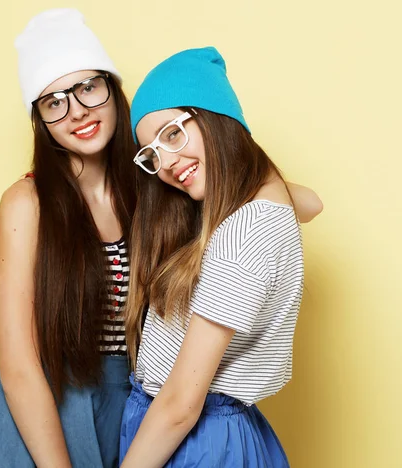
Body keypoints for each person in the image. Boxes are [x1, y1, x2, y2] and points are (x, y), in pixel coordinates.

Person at [0, 9, 136, 467]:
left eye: (88, 86)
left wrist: (230, 164)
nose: (78, 111)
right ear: (41, 120)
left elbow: (303, 204)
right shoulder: (26, 203)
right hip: (43, 415)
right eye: (54, 102)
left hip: (131, 408)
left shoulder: (155, 187)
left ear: (113, 87)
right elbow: (19, 366)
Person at [120, 47, 307, 467]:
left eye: (172, 133)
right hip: (190, 431)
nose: (166, 163)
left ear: (216, 119)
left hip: (193, 436)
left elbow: (183, 403)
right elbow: (311, 202)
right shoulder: (264, 202)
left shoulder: (243, 233)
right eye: (151, 153)